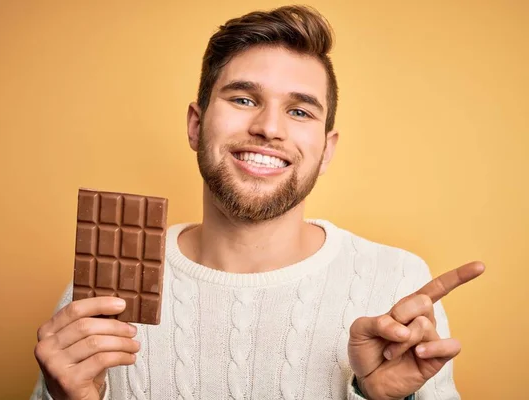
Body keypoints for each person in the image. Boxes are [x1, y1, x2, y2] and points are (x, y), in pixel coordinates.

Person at [30, 5, 484, 400]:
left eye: (300, 110)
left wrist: (376, 399)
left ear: (327, 150)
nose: (269, 127)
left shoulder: (397, 284)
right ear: (195, 124)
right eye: (244, 98)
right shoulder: (100, 294)